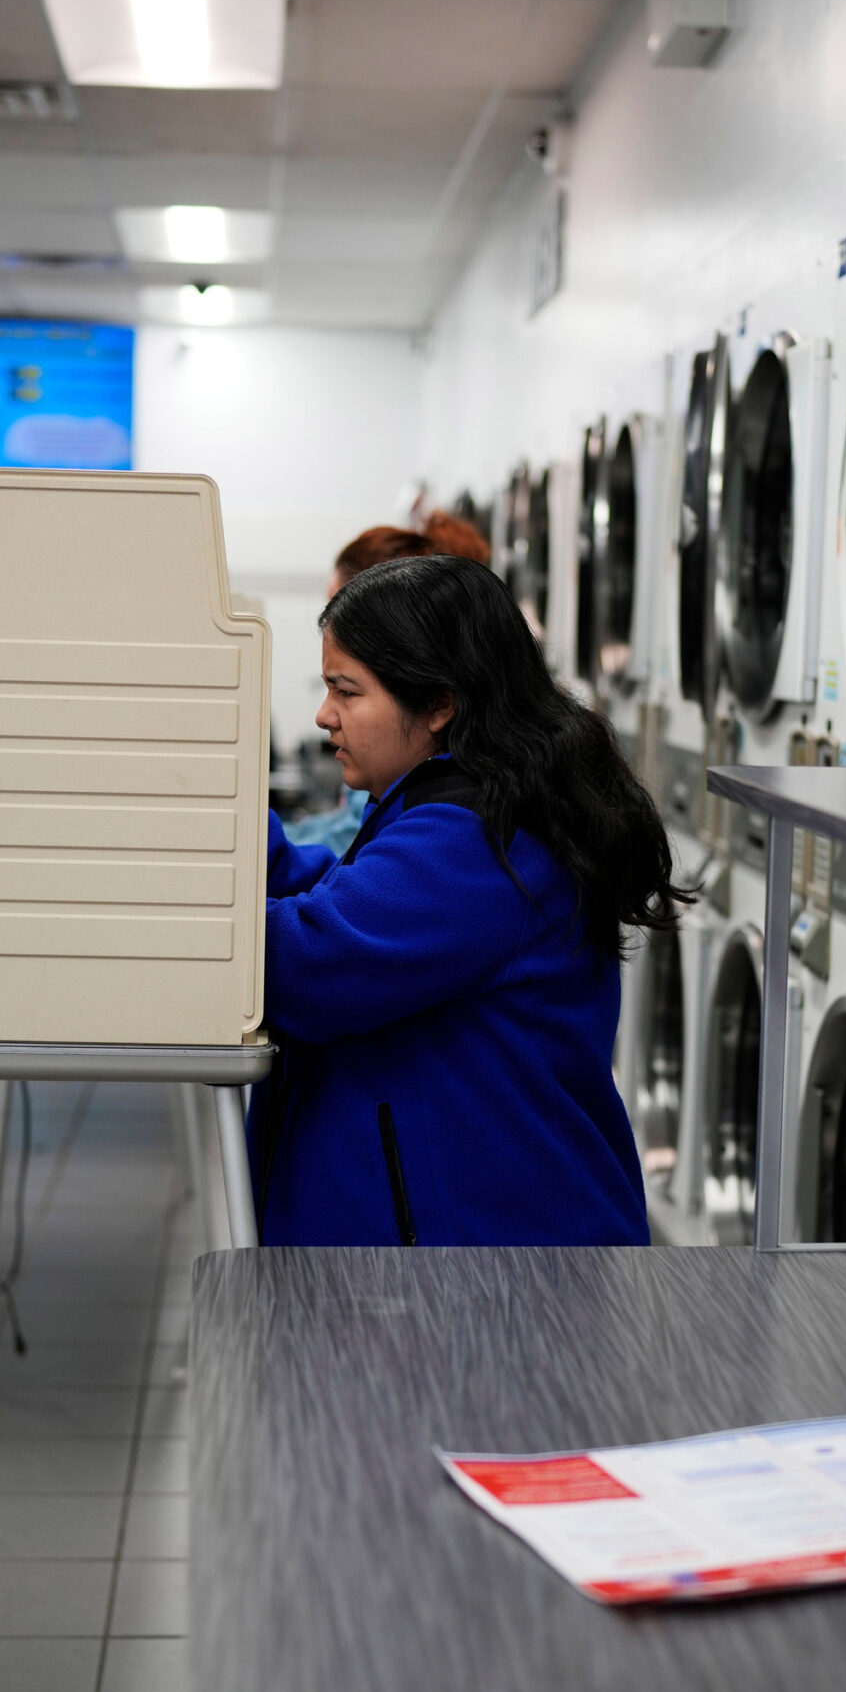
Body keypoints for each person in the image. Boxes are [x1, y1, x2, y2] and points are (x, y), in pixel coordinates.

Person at [252, 553, 687, 1246]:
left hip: (497, 1275)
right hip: (469, 1257)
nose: (324, 715)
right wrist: (224, 839)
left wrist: (184, 907)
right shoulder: (453, 807)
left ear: (438, 705)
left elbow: (315, 961)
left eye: (348, 691)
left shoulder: (479, 840)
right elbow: (344, 894)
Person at [283, 509, 494, 853]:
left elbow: (346, 882)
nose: (322, 716)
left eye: (347, 692)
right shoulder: (415, 790)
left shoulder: (452, 829)